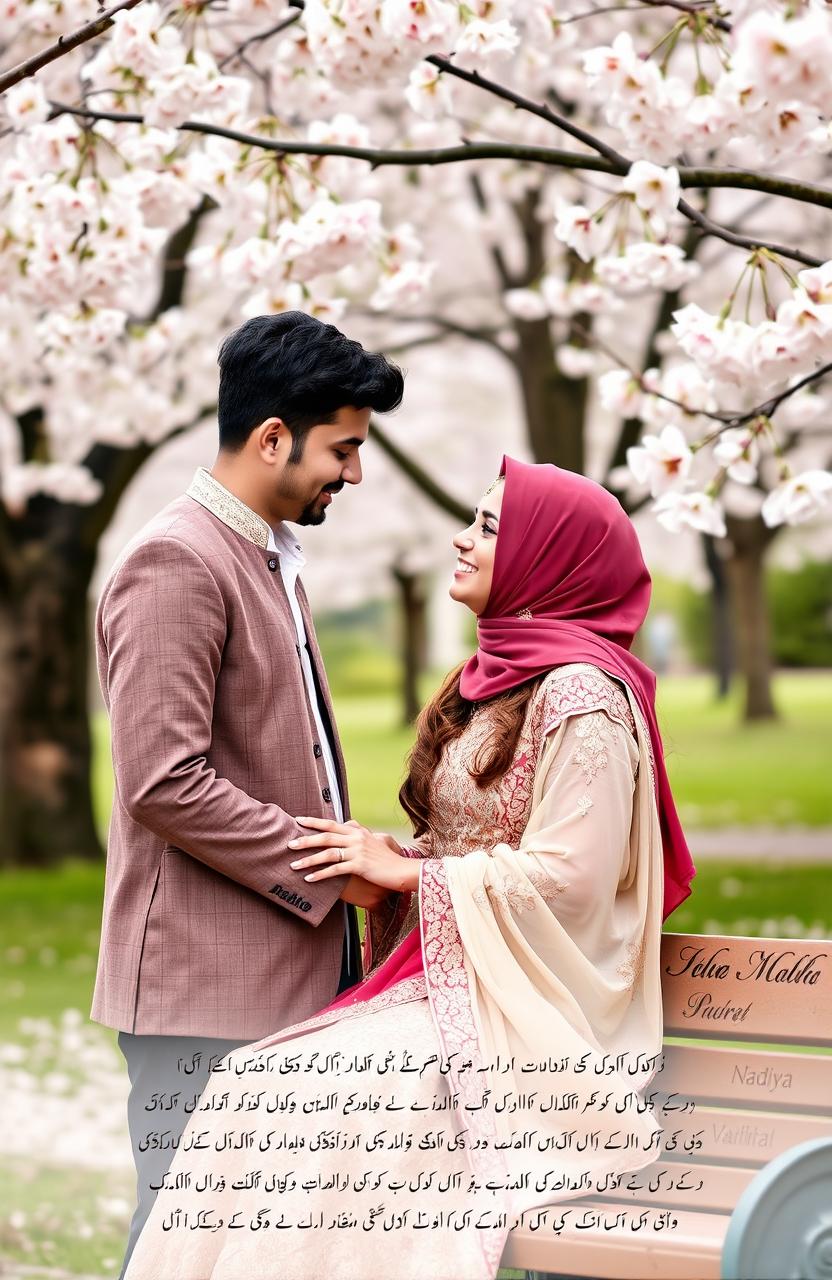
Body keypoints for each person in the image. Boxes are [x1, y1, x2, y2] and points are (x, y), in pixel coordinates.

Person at [123, 455, 697, 1280]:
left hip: (530, 1015)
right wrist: (401, 859)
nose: (463, 539)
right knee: (258, 1083)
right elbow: (479, 845)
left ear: (550, 560)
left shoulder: (583, 697)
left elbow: (574, 880)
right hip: (459, 985)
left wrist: (410, 880)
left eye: (491, 528)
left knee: (311, 1094)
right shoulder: (500, 681)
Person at [90, 311, 405, 1279]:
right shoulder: (178, 559)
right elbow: (163, 780)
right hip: (200, 984)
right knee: (185, 1240)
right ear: (274, 435)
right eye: (343, 448)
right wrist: (334, 870)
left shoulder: (264, 551)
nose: (352, 473)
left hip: (275, 974)